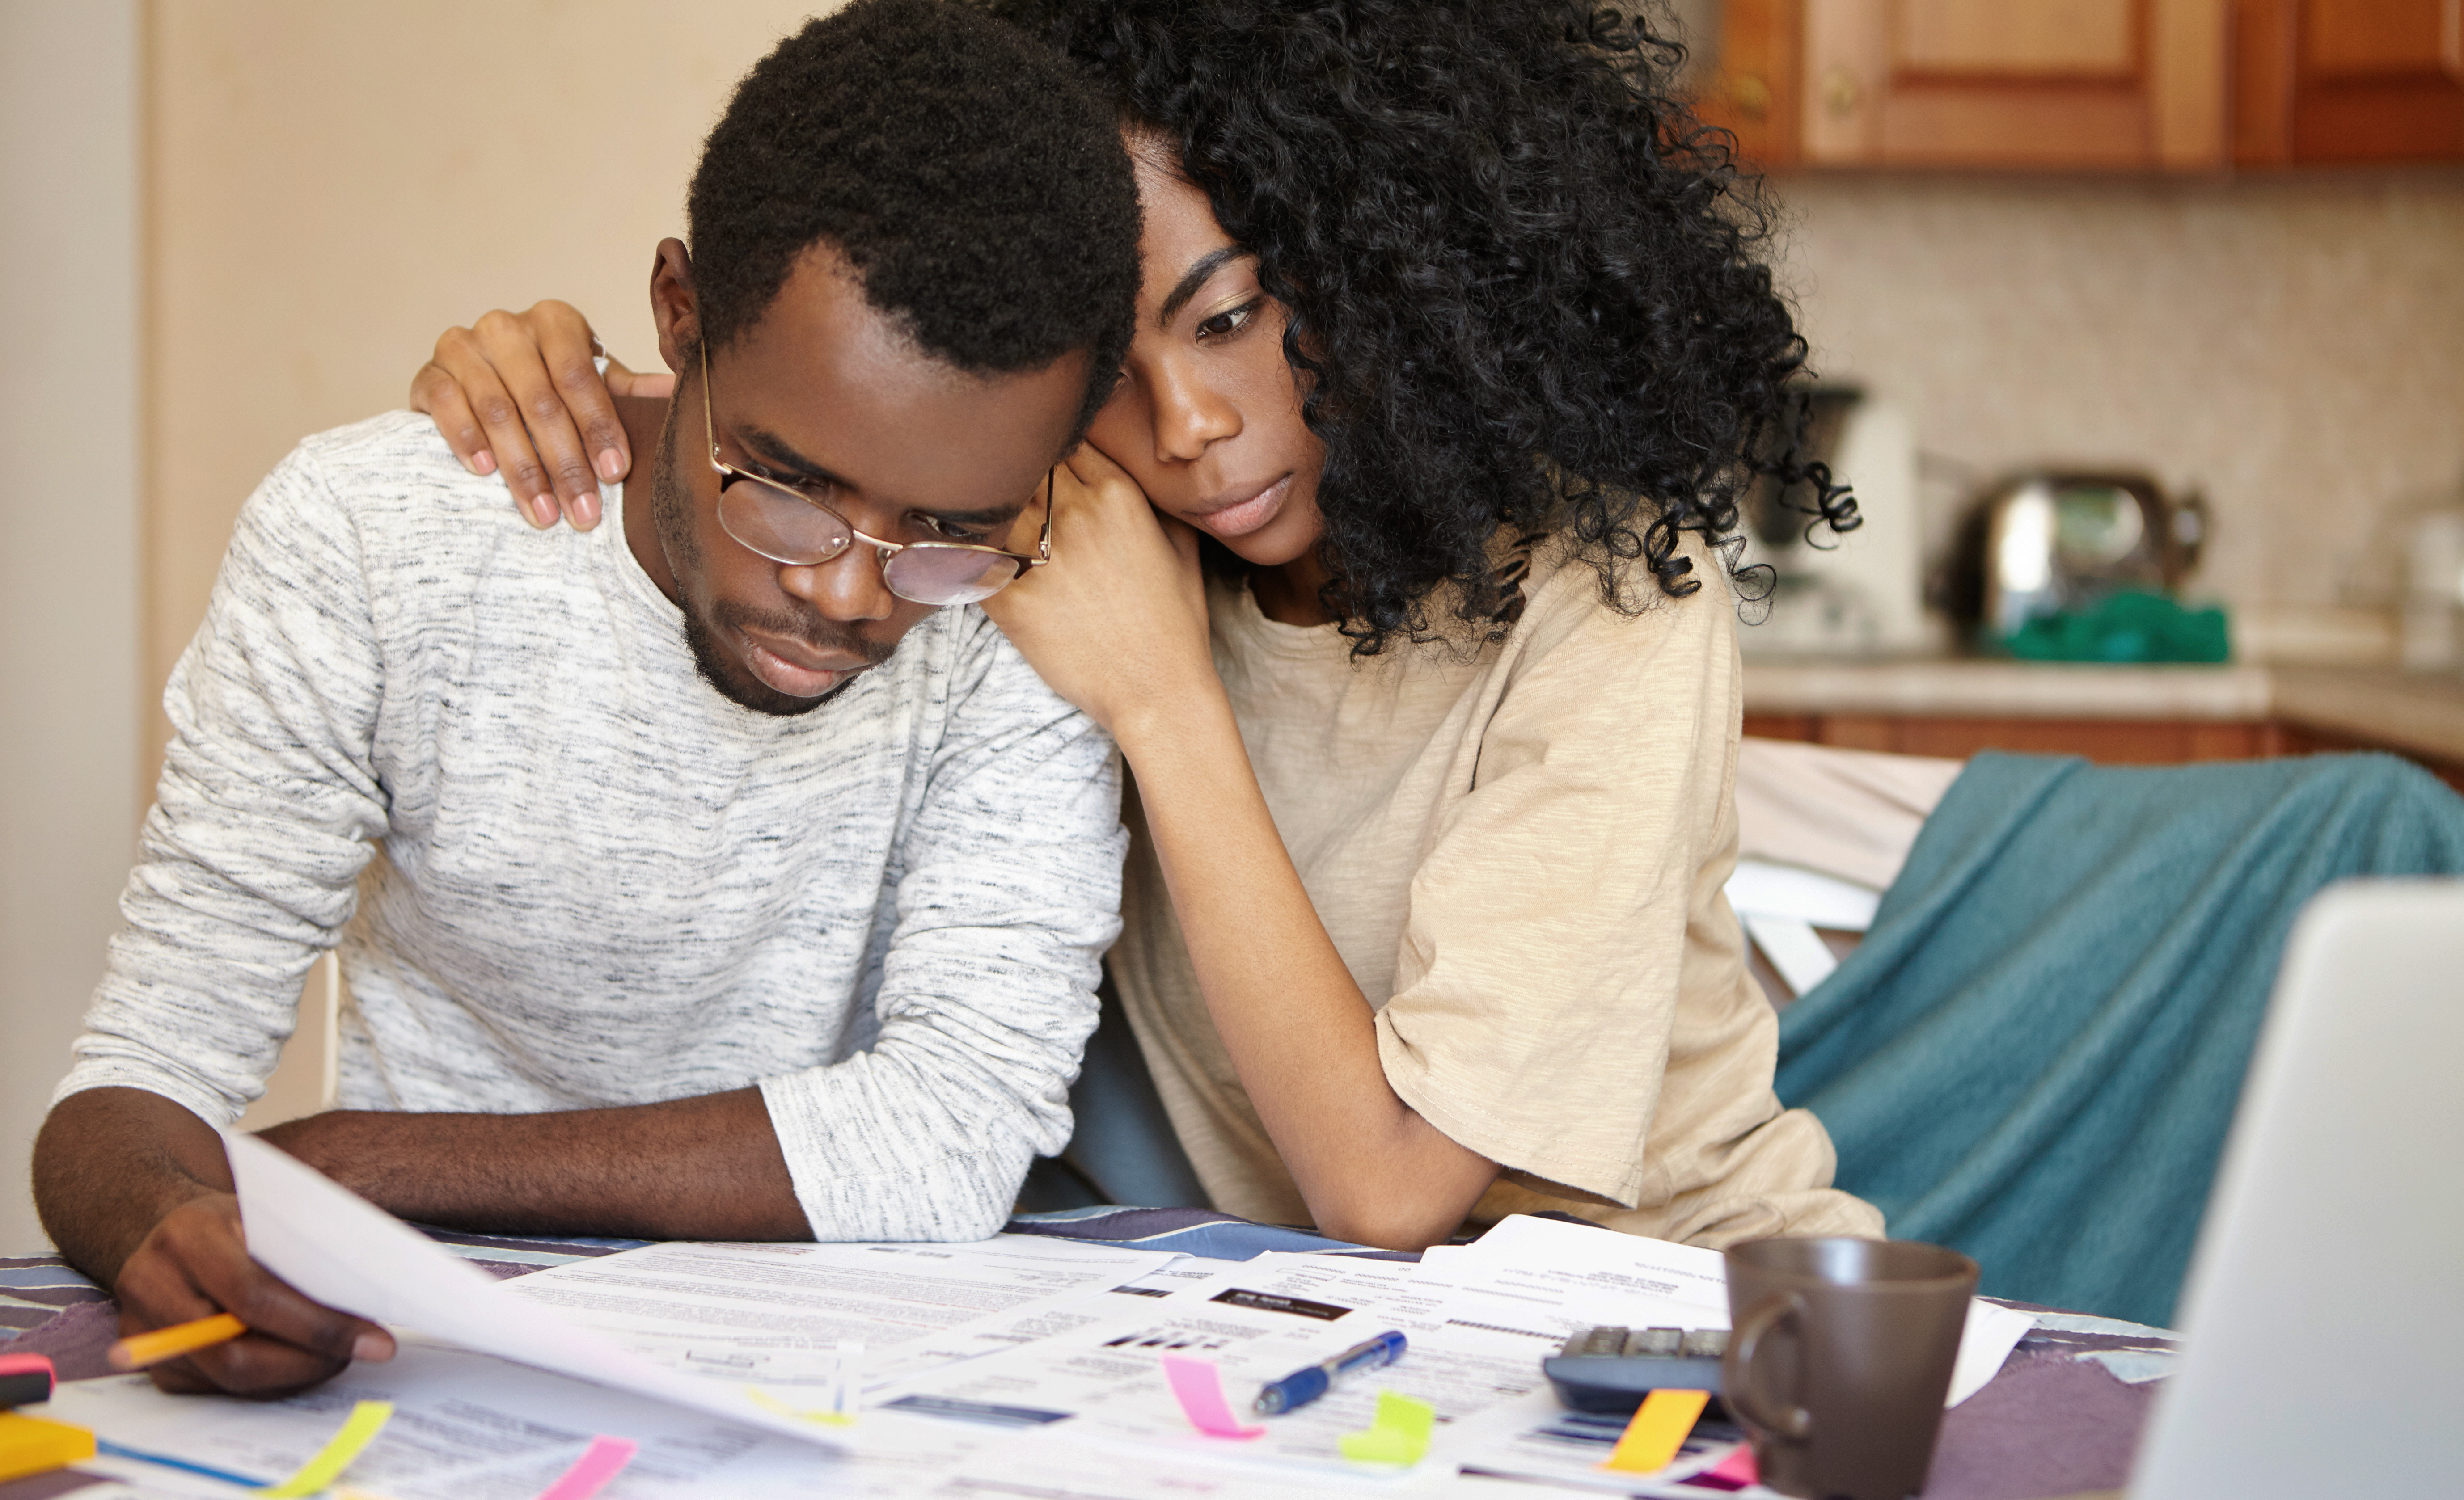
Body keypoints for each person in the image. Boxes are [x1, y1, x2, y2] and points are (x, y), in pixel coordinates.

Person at [410, 0, 1886, 1253]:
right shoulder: (1043, 528)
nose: (1188, 427)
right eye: (1107, 369)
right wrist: (544, 381)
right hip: (1283, 1341)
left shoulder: (1606, 594)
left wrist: (1165, 699)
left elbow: (1392, 1191)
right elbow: (792, 447)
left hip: (1691, 1322)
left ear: (1391, 263)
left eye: (1234, 319)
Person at [33, 0, 1145, 1399]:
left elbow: (952, 1132)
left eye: (948, 527)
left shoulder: (1029, 612)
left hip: (846, 1386)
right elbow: (135, 1078)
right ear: (679, 316)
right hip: (414, 1355)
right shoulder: (373, 539)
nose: (855, 599)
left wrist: (352, 1162)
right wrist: (165, 1219)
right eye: (788, 488)